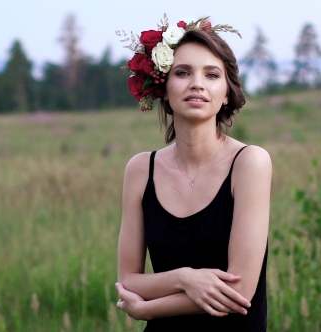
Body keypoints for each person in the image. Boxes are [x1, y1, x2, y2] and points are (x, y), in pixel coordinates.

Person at [115, 16, 271, 331]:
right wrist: (186, 278)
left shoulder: (249, 163)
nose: (197, 83)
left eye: (212, 75)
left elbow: (238, 292)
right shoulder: (140, 169)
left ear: (226, 92)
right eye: (182, 72)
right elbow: (128, 281)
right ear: (163, 87)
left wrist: (148, 310)